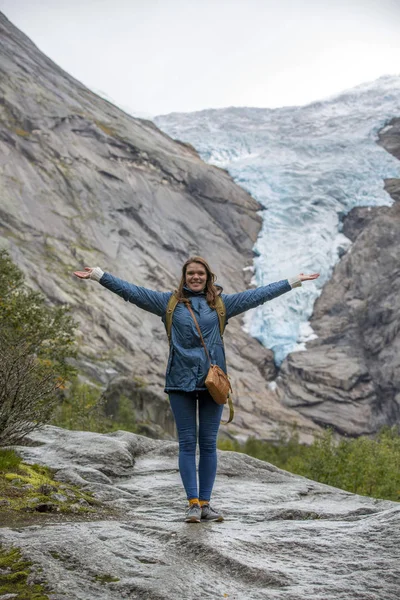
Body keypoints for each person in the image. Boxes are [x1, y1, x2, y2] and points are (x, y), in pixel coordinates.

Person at [74, 257, 319, 523]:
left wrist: (293, 282)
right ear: (184, 276)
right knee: (188, 444)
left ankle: (206, 504)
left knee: (209, 445)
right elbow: (132, 292)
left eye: (200, 273)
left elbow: (257, 296)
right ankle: (192, 503)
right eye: (191, 273)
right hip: (180, 383)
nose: (195, 277)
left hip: (212, 383)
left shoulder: (221, 305)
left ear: (208, 277)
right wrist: (99, 275)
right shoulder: (168, 304)